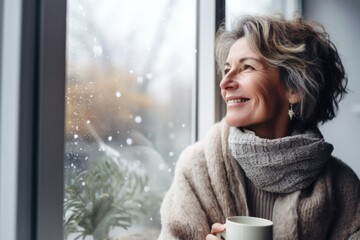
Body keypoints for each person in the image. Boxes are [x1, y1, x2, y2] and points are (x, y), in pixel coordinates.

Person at [158, 13, 360, 240]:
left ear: (294, 89)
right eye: (226, 70)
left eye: (247, 68)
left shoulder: (342, 186)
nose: (225, 83)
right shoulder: (196, 169)